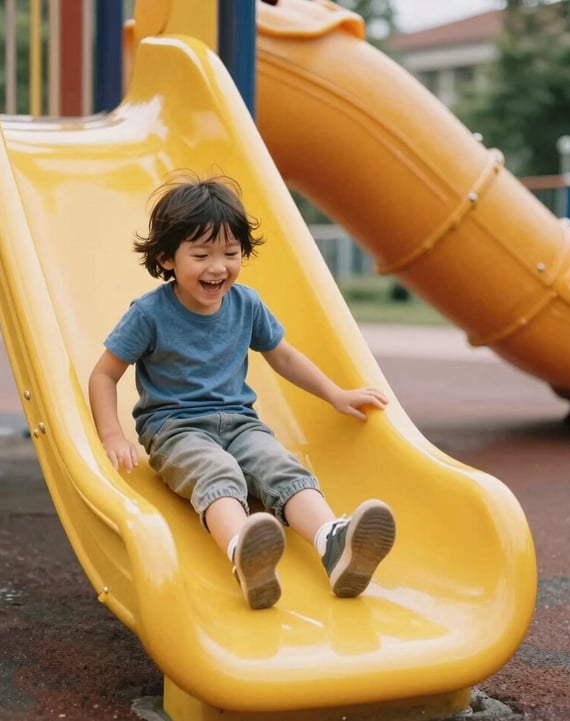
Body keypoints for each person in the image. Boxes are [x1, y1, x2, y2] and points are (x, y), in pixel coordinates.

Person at [88, 173, 396, 610]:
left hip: (240, 423)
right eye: (201, 254)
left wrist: (335, 394)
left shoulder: (245, 304)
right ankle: (243, 554)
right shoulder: (149, 314)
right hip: (175, 430)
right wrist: (111, 434)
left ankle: (333, 541)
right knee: (219, 473)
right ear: (167, 258)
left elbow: (284, 357)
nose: (219, 267)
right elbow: (104, 374)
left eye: (231, 253)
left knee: (280, 466)